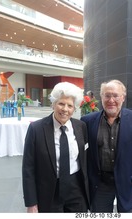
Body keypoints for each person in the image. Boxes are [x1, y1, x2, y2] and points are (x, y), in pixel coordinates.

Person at [81, 79, 132, 213]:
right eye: (107, 95)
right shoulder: (87, 121)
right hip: (99, 183)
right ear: (101, 97)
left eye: (115, 95)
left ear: (123, 98)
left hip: (128, 183)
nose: (111, 100)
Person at [22, 82, 90, 213]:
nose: (65, 109)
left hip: (76, 189)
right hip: (49, 191)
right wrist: (31, 203)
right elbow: (28, 168)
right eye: (61, 103)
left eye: (70, 105)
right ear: (53, 104)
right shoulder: (36, 129)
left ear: (74, 109)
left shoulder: (81, 126)